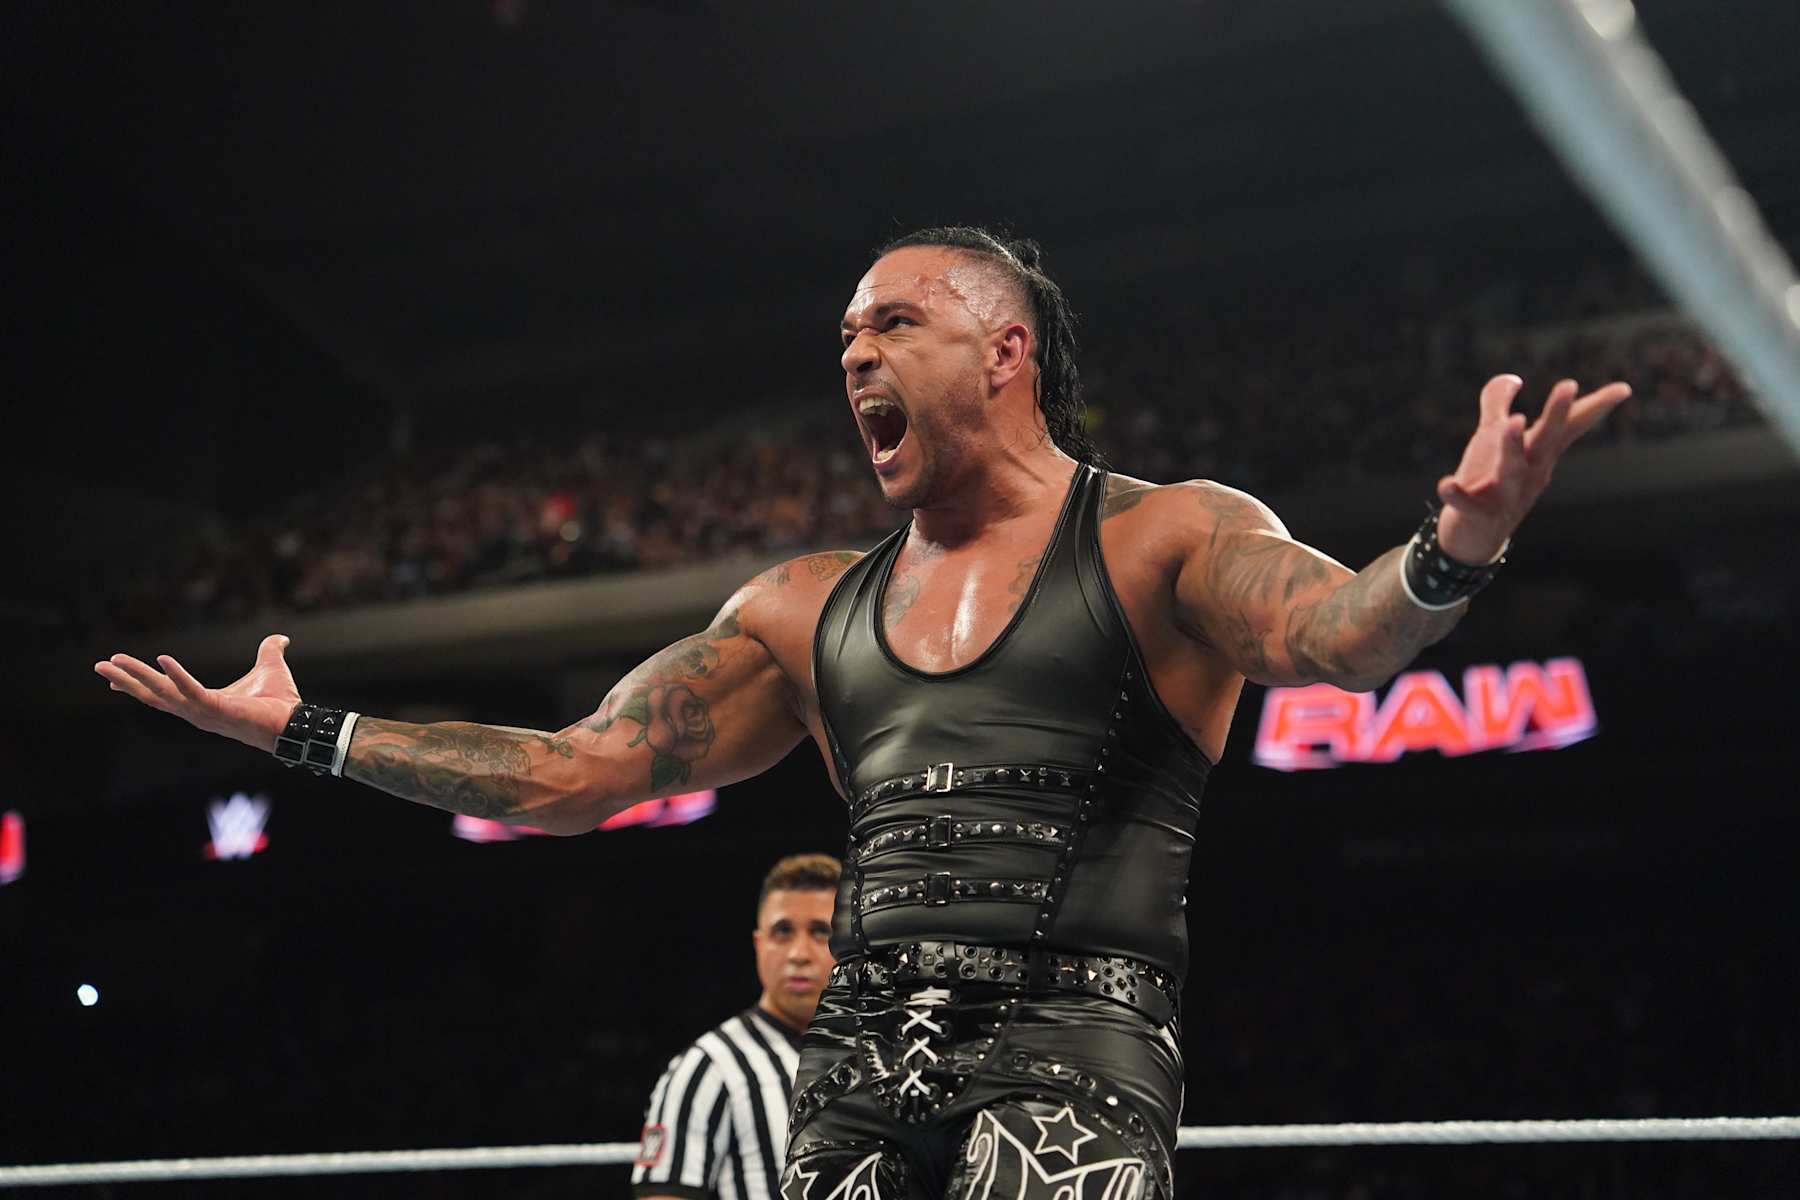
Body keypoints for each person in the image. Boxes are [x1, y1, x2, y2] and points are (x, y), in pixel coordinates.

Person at [96, 225, 1630, 1200]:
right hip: (863, 1067)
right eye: (844, 342)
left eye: (892, 324)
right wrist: (305, 732)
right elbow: (571, 777)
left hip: (1074, 1052)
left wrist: (1455, 547)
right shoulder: (798, 605)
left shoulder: (1165, 535)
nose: (854, 358)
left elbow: (1340, 639)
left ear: (1006, 349)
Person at [634, 853, 839, 1200]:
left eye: (820, 932)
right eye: (783, 932)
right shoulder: (709, 1067)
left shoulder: (885, 1052)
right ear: (760, 945)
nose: (798, 954)